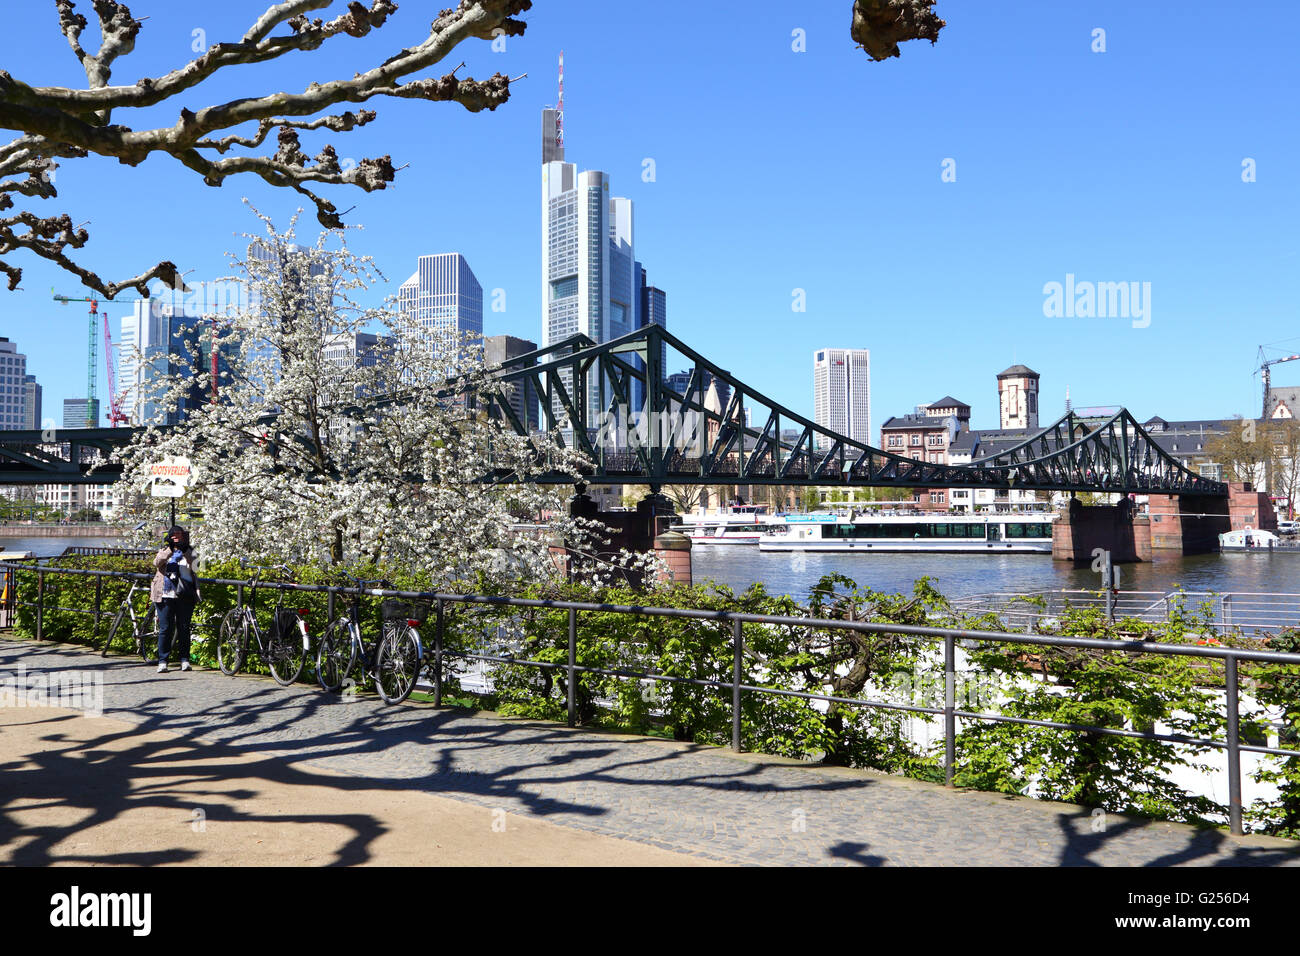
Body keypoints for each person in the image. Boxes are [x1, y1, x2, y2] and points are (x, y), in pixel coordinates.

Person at [152, 525, 201, 673]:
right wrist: (170, 550)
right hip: (165, 594)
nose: (176, 537)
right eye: (173, 535)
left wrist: (185, 550)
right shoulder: (165, 550)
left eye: (179, 534)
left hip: (185, 595)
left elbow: (198, 567)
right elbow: (156, 563)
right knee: (165, 628)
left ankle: (185, 660)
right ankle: (163, 661)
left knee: (184, 628)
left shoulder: (190, 551)